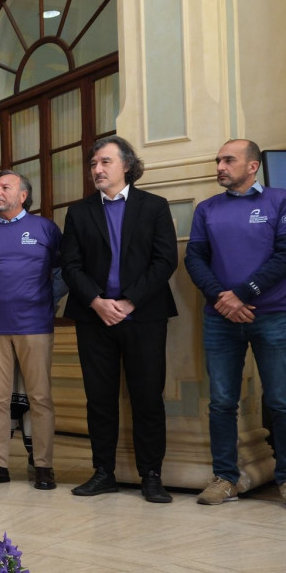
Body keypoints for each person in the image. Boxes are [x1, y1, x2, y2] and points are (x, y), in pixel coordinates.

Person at [62, 136, 178, 503]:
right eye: (93, 164)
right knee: (99, 398)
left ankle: (152, 475)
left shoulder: (154, 207)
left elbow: (165, 261)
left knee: (147, 397)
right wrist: (97, 302)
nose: (97, 169)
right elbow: (70, 266)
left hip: (143, 317)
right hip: (94, 318)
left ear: (126, 165)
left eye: (105, 162)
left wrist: (129, 302)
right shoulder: (78, 212)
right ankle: (103, 472)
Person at [184, 138, 286, 506]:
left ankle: (285, 478)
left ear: (253, 166)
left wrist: (243, 292)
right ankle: (225, 478)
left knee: (280, 400)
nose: (220, 167)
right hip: (220, 319)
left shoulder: (279, 200)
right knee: (222, 402)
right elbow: (194, 258)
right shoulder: (207, 209)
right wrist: (221, 298)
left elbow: (284, 254)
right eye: (218, 161)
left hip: (273, 315)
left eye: (229, 160)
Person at [0, 170, 64, 490]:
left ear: (23, 195)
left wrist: (42, 300)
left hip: (34, 326)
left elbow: (62, 273)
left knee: (40, 398)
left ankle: (43, 466)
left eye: (4, 187)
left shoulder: (45, 228)